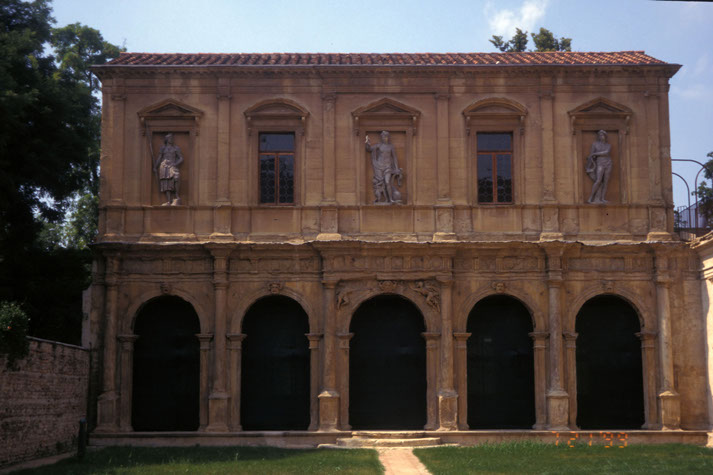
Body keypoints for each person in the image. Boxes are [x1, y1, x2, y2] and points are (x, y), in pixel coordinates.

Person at [365, 131, 403, 204]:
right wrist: (367, 143)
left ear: (388, 137)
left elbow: (394, 157)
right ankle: (382, 199)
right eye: (383, 137)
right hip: (379, 166)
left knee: (387, 182)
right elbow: (369, 149)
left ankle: (390, 199)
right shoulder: (379, 145)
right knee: (381, 183)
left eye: (385, 137)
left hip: (388, 167)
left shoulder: (391, 146)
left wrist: (396, 168)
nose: (384, 138)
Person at [153, 134, 184, 206]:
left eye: (172, 138)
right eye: (170, 138)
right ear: (166, 139)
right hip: (164, 166)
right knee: (166, 183)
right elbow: (159, 158)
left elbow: (181, 158)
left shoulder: (176, 148)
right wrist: (155, 166)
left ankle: (176, 196)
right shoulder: (163, 148)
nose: (171, 139)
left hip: (172, 165)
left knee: (176, 178)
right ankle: (168, 201)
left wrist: (175, 164)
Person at [586, 130, 612, 204]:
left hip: (608, 163)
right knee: (598, 180)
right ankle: (591, 198)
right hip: (600, 163)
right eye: (600, 135)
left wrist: (595, 154)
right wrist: (589, 165)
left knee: (606, 182)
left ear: (605, 136)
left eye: (602, 135)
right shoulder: (595, 144)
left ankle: (602, 198)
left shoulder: (608, 145)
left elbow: (606, 152)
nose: (601, 137)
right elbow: (591, 155)